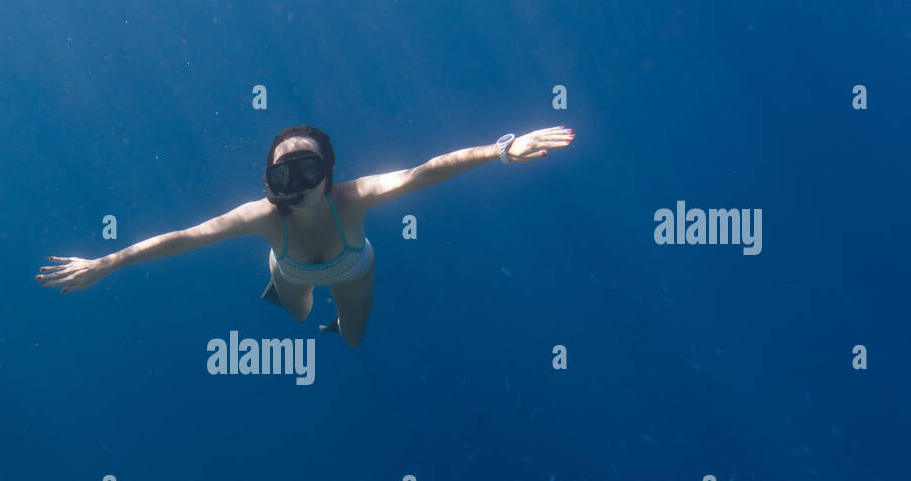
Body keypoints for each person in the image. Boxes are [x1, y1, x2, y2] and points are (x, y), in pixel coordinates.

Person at [37, 124, 574, 347]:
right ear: (268, 182)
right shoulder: (264, 215)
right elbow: (183, 237)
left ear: (330, 175)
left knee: (354, 335)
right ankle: (297, 301)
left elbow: (424, 171)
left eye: (307, 172)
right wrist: (104, 264)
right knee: (295, 313)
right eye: (281, 176)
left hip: (354, 267)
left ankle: (336, 319)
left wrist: (502, 149)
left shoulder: (354, 197)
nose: (294, 187)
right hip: (290, 269)